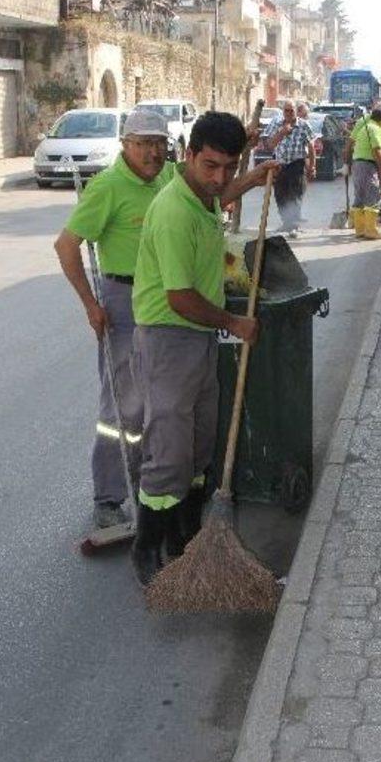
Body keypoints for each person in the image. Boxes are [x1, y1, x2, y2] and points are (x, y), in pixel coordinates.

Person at [129, 112, 278, 585]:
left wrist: (251, 180)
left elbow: (219, 197)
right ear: (189, 155)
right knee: (169, 452)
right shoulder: (173, 211)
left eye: (228, 168)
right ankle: (147, 547)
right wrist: (235, 322)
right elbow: (180, 298)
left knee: (198, 446)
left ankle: (185, 535)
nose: (219, 178)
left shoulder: (201, 195)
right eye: (210, 165)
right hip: (168, 337)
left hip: (197, 337)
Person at [54, 109, 175, 529]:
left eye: (159, 144)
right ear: (125, 145)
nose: (152, 152)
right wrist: (92, 305)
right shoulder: (108, 187)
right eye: (143, 143)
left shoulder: (167, 178)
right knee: (120, 406)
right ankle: (108, 497)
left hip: (163, 299)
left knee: (156, 401)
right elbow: (67, 247)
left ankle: (147, 484)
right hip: (123, 301)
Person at [262, 99, 315, 235]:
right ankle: (286, 223)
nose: (289, 113)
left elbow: (311, 146)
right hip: (279, 165)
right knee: (280, 195)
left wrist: (312, 166)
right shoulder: (276, 123)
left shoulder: (303, 125)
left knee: (295, 195)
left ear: (296, 112)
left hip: (297, 165)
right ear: (283, 111)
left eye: (292, 111)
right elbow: (269, 145)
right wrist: (282, 133)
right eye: (286, 110)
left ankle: (294, 225)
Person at [345, 105, 381, 239]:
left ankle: (360, 230)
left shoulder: (365, 126)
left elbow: (352, 144)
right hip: (367, 165)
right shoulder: (374, 129)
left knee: (359, 197)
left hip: (357, 164)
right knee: (373, 196)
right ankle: (370, 230)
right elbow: (378, 153)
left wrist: (346, 162)